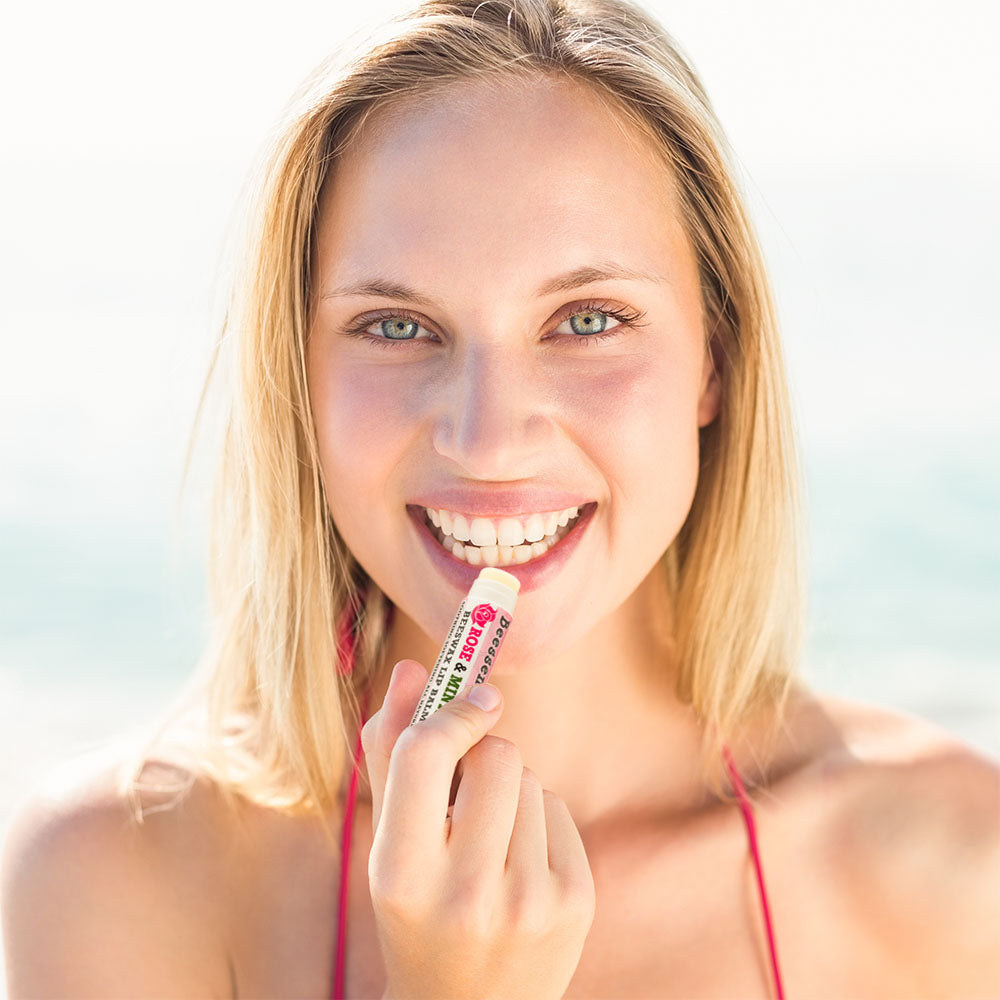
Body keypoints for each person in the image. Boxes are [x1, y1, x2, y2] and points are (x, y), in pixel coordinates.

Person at [3, 0, 998, 996]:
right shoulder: (121, 873)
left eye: (588, 318)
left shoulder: (961, 869)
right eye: (396, 326)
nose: (485, 438)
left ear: (715, 360)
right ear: (295, 378)